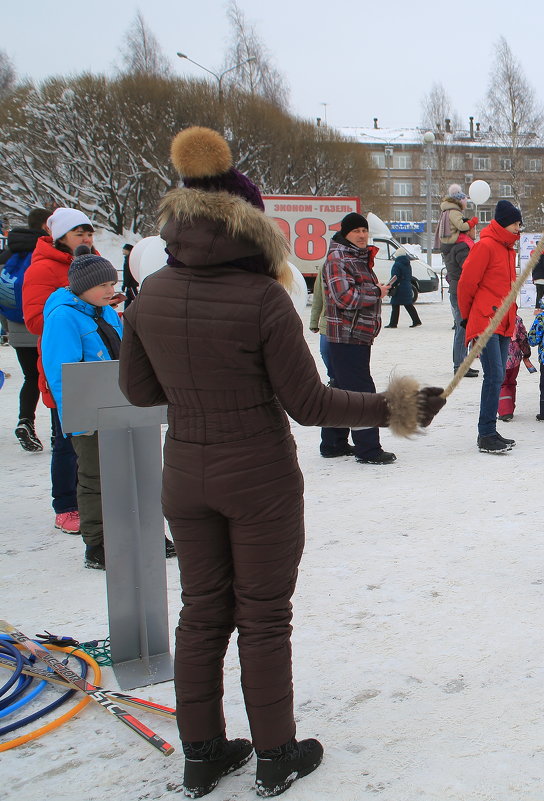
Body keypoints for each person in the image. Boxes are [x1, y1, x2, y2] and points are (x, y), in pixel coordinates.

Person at [119, 126, 445, 799]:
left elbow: (139, 390)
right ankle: (275, 754)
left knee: (202, 610)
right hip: (258, 477)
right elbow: (308, 401)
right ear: (250, 226)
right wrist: (395, 407)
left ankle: (202, 752)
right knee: (263, 615)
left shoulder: (149, 293)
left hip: (185, 473)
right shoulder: (263, 298)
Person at [40, 248, 174, 569]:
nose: (110, 290)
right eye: (102, 285)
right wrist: (77, 417)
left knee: (141, 471)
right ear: (81, 286)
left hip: (125, 407)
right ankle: (98, 543)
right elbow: (62, 373)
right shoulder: (63, 317)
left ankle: (148, 533)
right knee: (96, 478)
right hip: (91, 414)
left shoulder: (107, 312)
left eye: (111, 283)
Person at [23, 207, 101, 534]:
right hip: (64, 364)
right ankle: (66, 505)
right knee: (66, 439)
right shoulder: (42, 268)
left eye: (88, 232)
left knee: (96, 440)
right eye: (78, 233)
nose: (85, 238)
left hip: (96, 361)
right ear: (61, 237)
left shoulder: (92, 261)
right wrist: (75, 309)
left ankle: (94, 501)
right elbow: (34, 320)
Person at [320, 212, 397, 464]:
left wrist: (377, 290)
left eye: (364, 230)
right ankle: (368, 449)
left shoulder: (356, 256)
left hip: (357, 335)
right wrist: (377, 291)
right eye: (356, 231)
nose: (362, 235)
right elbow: (344, 297)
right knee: (361, 393)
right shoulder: (338, 258)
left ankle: (333, 443)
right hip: (346, 335)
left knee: (342, 390)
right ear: (346, 234)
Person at [458, 200, 522, 454]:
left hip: (504, 322)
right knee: (495, 375)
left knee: (498, 375)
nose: (519, 229)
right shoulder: (485, 246)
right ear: (506, 223)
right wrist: (467, 318)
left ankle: (490, 431)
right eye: (517, 224)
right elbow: (466, 284)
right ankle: (486, 434)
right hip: (486, 321)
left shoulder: (508, 250)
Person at [0, 207, 48, 452]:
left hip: (17, 326)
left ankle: (25, 421)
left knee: (31, 377)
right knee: (53, 378)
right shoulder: (45, 252)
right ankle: (63, 431)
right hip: (42, 326)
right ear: (45, 226)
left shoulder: (9, 253)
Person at [436, 185, 478, 376]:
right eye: (472, 229)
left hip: (457, 291)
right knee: (462, 330)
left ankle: (462, 365)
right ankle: (459, 367)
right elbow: (469, 271)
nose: (473, 231)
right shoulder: (462, 248)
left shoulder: (456, 246)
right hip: (460, 292)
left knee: (463, 329)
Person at [497, 314, 530, 422]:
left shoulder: (491, 316)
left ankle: (505, 410)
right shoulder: (516, 318)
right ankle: (510, 406)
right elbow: (522, 337)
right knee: (511, 382)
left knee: (501, 384)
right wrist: (526, 351)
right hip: (514, 357)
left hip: (498, 357)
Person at [384, 249, 421, 328]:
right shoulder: (408, 264)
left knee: (395, 305)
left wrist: (390, 285)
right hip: (407, 286)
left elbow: (395, 277)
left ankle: (393, 324)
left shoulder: (397, 264)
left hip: (399, 288)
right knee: (408, 305)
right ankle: (416, 320)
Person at [531, 242, 544, 308]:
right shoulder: (543, 255)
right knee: (540, 295)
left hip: (536, 277)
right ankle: (537, 308)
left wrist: (533, 276)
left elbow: (532, 267)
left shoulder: (534, 256)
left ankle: (538, 308)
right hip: (541, 277)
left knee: (538, 294)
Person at [121, 243, 139, 307]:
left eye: (124, 249)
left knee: (136, 299)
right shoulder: (129, 258)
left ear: (128, 250)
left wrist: (125, 284)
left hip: (131, 284)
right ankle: (126, 312)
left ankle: (140, 309)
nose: (123, 251)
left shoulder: (129, 259)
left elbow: (127, 273)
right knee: (128, 300)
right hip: (130, 283)